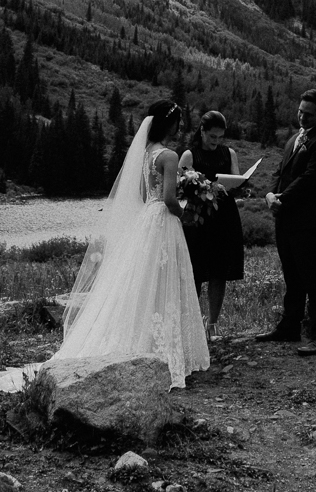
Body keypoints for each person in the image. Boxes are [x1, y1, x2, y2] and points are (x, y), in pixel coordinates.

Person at [52, 100, 210, 389]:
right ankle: (165, 350)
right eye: (178, 122)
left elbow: (144, 193)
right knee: (165, 280)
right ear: (169, 124)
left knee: (142, 280)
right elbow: (171, 200)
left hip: (148, 218)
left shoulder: (146, 153)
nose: (180, 127)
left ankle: (140, 341)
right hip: (164, 221)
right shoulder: (170, 156)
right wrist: (189, 212)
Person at [254, 89, 316, 357]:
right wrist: (270, 194)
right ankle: (289, 326)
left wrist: (282, 198)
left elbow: (313, 179)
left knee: (315, 278)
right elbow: (280, 172)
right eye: (300, 111)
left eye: (309, 114)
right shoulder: (294, 139)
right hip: (286, 218)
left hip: (308, 220)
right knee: (292, 276)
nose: (302, 117)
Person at [179, 110, 246, 340]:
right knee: (196, 272)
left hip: (224, 217)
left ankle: (213, 324)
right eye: (212, 137)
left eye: (220, 137)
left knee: (220, 271)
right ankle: (194, 326)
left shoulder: (229, 153)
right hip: (198, 219)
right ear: (202, 132)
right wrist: (201, 190)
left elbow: (236, 182)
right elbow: (180, 190)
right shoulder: (189, 155)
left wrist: (240, 186)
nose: (216, 142)